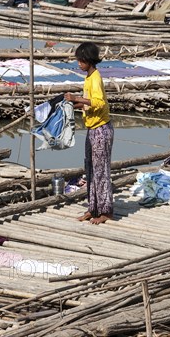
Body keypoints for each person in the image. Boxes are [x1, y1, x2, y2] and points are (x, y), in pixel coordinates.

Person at [64, 43, 114, 225]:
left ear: (88, 60)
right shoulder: (88, 78)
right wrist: (71, 104)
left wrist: (76, 98)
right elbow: (88, 103)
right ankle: (93, 208)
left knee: (101, 171)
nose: (78, 63)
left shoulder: (95, 78)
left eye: (81, 60)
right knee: (91, 170)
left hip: (101, 129)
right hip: (92, 128)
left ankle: (106, 211)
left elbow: (99, 103)